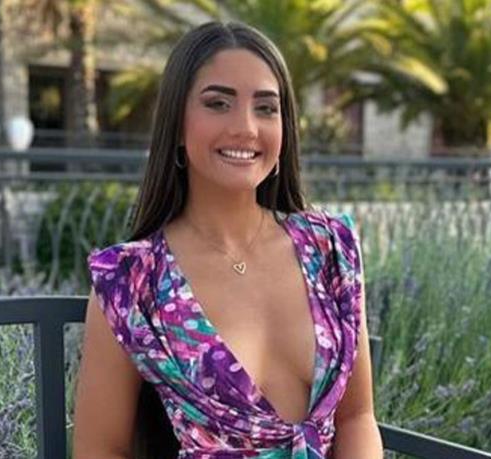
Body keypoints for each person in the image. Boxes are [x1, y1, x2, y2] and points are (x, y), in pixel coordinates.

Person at [73, 20, 383, 459]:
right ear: (177, 124)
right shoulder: (132, 282)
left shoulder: (330, 249)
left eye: (266, 108)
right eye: (218, 103)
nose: (246, 127)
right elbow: (100, 450)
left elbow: (356, 418)